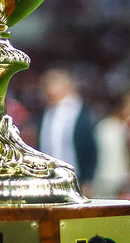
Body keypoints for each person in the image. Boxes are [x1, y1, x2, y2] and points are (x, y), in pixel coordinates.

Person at [38, 67, 97, 195]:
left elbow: (90, 148)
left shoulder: (78, 112)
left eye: (52, 84)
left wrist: (88, 180)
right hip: (50, 178)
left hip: (76, 178)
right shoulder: (47, 113)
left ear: (65, 86)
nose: (47, 90)